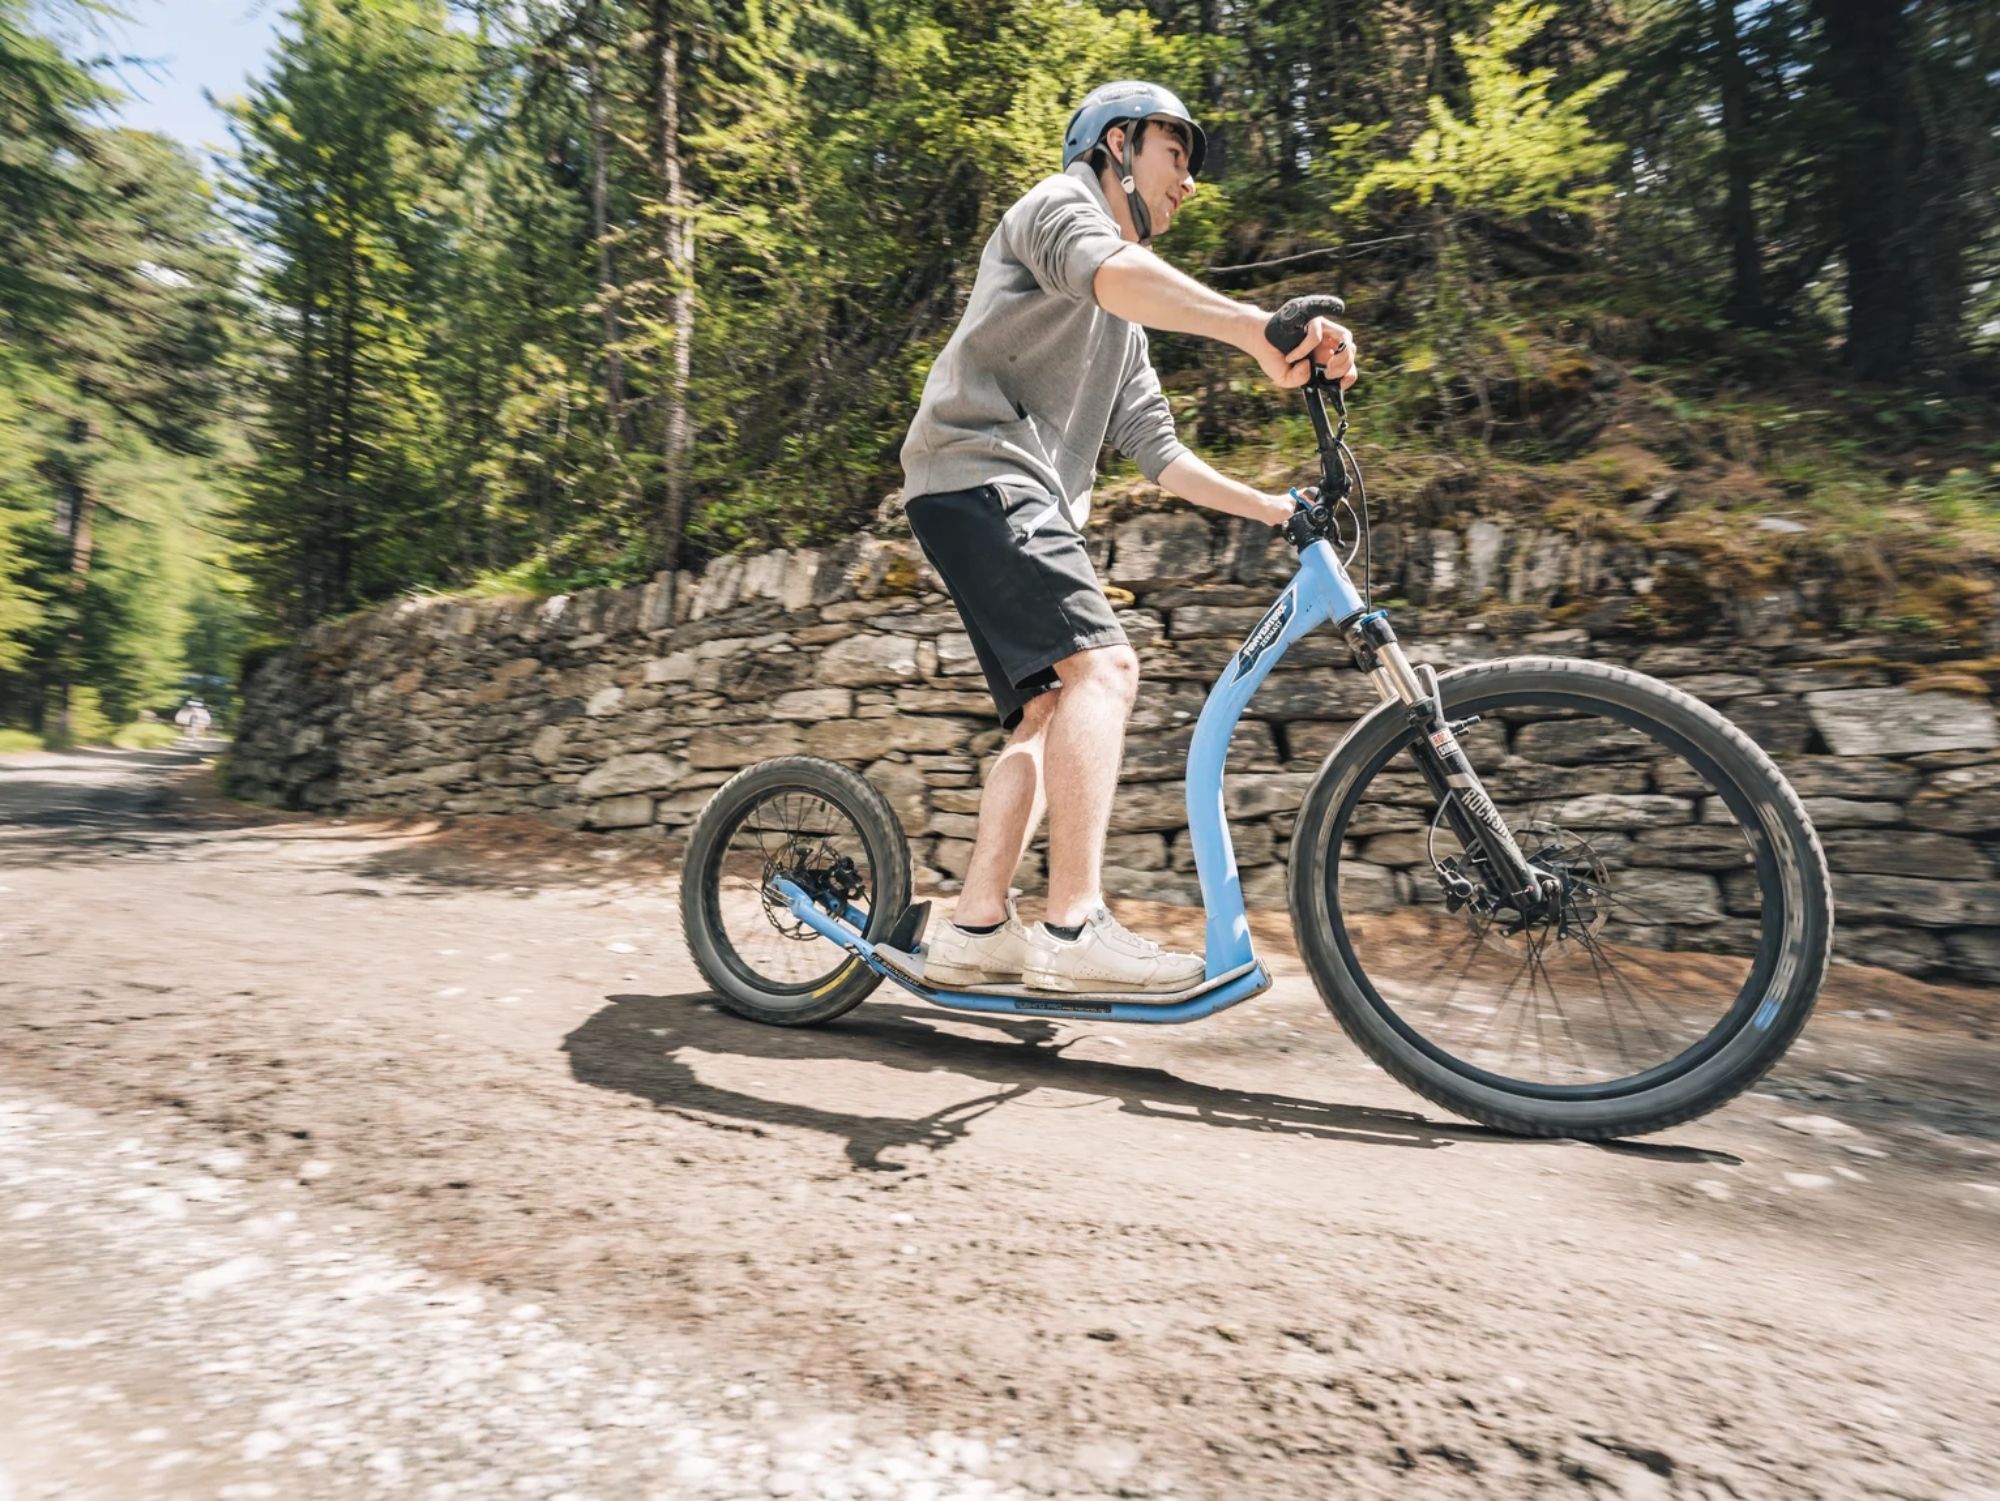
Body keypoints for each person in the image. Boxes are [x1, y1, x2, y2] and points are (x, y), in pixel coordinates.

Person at [897, 79, 1360, 994]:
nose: (1188, 181)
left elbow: (1161, 452)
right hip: (981, 470)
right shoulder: (1056, 207)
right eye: (1176, 154)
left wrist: (1271, 507)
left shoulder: (1125, 328)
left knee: (1045, 711)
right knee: (1105, 669)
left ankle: (977, 925)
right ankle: (1073, 926)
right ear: (1117, 145)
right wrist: (1255, 329)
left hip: (977, 492)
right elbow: (1110, 270)